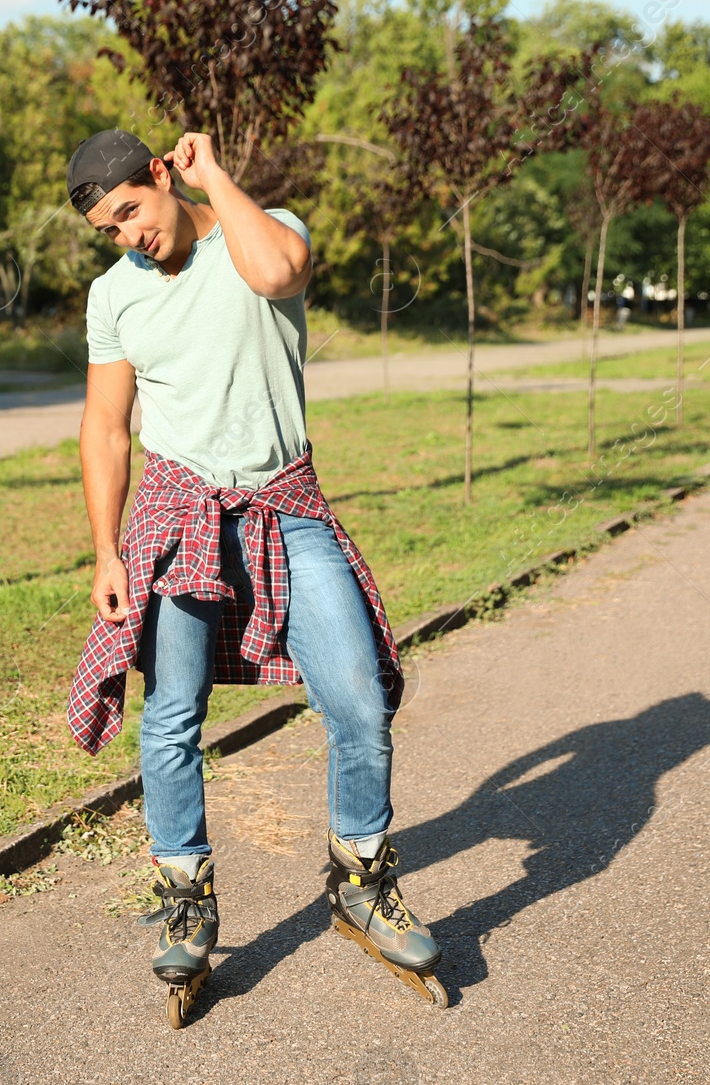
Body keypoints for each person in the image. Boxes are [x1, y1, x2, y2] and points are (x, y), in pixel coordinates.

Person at [64, 128, 447, 1024]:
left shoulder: (262, 227)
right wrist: (107, 549)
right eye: (108, 229)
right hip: (181, 510)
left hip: (286, 504)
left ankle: (359, 880)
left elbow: (278, 276)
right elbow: (106, 427)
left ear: (161, 173)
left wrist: (217, 180)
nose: (128, 236)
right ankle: (187, 900)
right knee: (172, 714)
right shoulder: (114, 296)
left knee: (358, 696)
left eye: (131, 210)